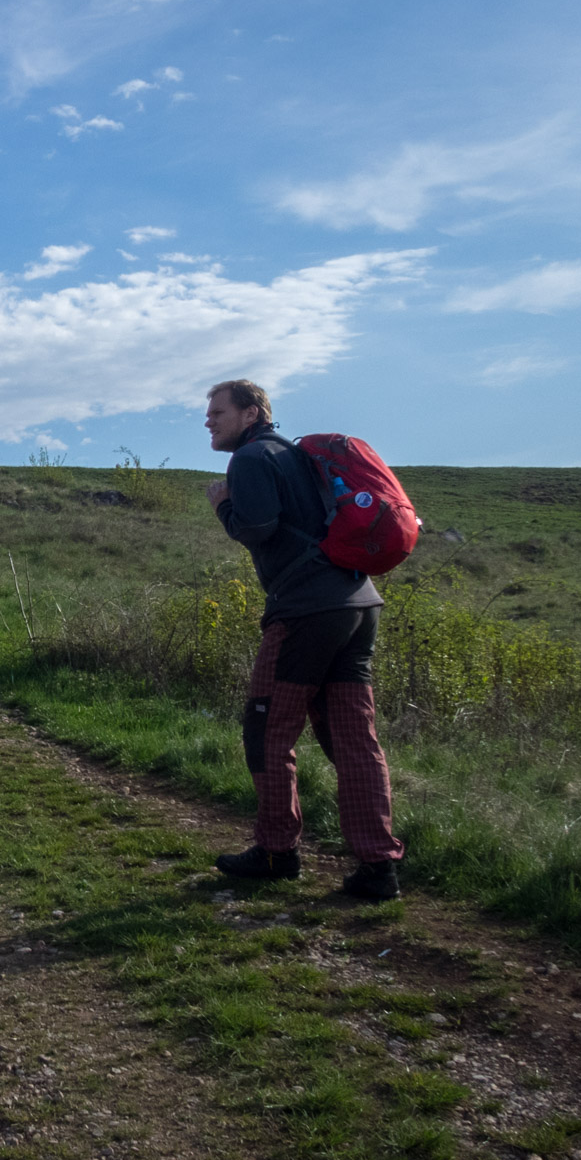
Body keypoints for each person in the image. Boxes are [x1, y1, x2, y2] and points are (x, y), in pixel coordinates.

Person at [203, 379, 405, 900]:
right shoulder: (299, 457)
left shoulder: (249, 460)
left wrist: (224, 505)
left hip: (306, 610)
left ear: (251, 415)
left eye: (217, 411)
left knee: (268, 729)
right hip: (358, 603)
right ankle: (378, 868)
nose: (209, 420)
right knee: (353, 740)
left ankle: (276, 852)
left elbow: (258, 526)